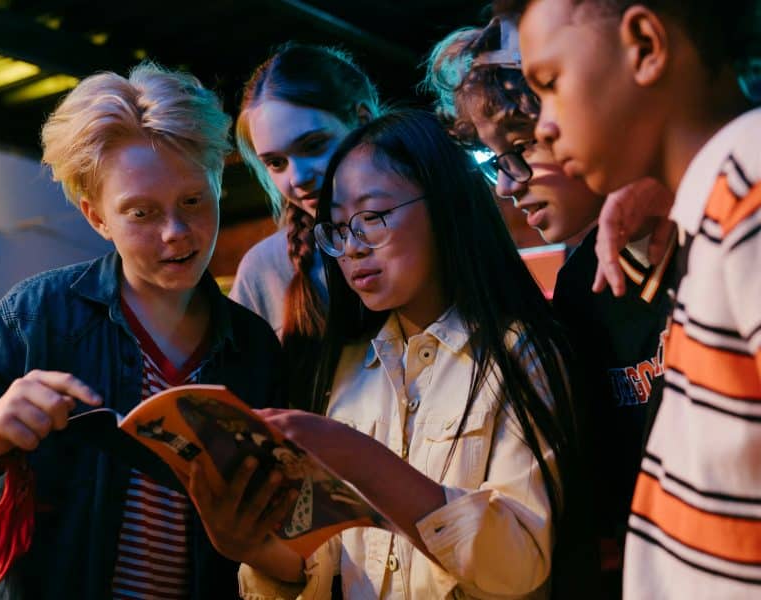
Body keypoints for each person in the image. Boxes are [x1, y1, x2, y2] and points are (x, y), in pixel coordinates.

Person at [193, 108, 584, 598]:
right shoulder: (348, 367)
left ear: (444, 206)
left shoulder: (520, 353)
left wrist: (355, 454)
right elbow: (323, 564)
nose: (352, 248)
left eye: (372, 217)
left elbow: (518, 565)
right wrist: (250, 547)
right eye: (336, 228)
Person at [0, 61, 287, 599]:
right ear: (97, 218)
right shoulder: (38, 314)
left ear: (219, 184)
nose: (176, 233)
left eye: (193, 201)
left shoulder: (253, 348)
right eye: (141, 213)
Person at [501, 0, 761, 597]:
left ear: (644, 45)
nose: (541, 126)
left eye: (551, 84)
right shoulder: (720, 202)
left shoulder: (748, 185)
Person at [425, 17, 677, 596]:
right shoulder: (577, 284)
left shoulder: (714, 227)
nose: (507, 185)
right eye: (493, 162)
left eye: (520, 148)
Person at [230, 43, 382, 400]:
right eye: (276, 163)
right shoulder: (264, 268)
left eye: (314, 145)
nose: (297, 177)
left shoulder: (431, 225)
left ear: (362, 119)